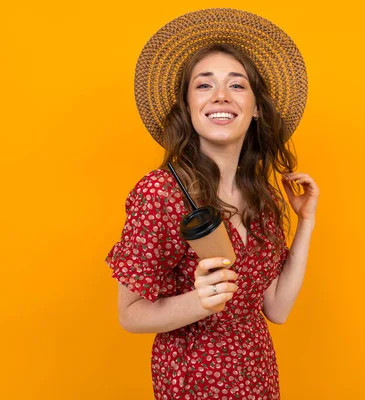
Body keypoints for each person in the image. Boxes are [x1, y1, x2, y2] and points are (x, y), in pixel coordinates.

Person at [105, 8, 319, 399]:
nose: (221, 95)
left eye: (237, 86)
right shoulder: (161, 193)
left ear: (256, 109)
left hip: (258, 376)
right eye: (204, 86)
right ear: (188, 108)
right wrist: (198, 302)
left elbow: (277, 308)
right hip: (192, 382)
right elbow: (129, 314)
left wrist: (305, 221)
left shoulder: (263, 195)